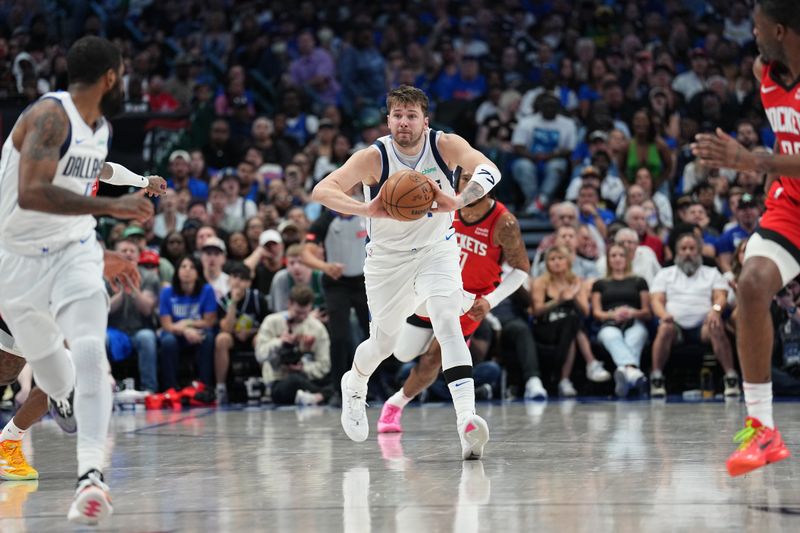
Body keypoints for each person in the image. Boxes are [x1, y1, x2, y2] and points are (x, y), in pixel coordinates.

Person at [0, 35, 156, 524]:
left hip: (74, 250)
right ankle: (59, 396)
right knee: (36, 371)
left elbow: (96, 168)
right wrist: (114, 205)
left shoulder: (100, 126)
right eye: (124, 73)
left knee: (89, 346)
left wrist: (134, 186)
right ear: (112, 76)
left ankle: (91, 475)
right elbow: (31, 193)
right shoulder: (50, 116)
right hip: (18, 263)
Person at [311, 85, 501, 460]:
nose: (404, 122)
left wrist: (459, 200)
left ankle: (467, 422)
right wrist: (368, 210)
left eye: (411, 115)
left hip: (437, 251)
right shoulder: (374, 157)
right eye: (397, 115)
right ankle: (356, 382)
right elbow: (322, 190)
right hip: (387, 261)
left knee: (447, 320)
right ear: (388, 120)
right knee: (384, 345)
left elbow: (489, 169)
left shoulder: (444, 145)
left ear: (424, 121)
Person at [691, 0, 799, 477]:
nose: (752, 35)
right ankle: (762, 427)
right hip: (790, 206)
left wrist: (751, 160)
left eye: (757, 28)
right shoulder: (765, 72)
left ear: (780, 29)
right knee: (752, 285)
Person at [377, 168, 539, 433]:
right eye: (466, 179)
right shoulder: (442, 206)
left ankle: (396, 405)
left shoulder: (504, 222)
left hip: (467, 303)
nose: (472, 186)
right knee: (404, 353)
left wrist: (491, 301)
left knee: (433, 359)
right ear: (457, 180)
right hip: (432, 288)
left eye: (478, 182)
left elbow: (521, 268)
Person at [648, 233, 740, 398]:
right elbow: (656, 301)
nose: (688, 252)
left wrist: (715, 310)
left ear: (699, 251)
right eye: (684, 249)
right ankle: (656, 377)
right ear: (677, 252)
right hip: (675, 325)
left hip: (704, 325)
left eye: (692, 248)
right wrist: (663, 315)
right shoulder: (665, 274)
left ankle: (730, 376)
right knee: (664, 328)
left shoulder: (711, 273)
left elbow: (721, 297)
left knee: (716, 325)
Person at [591, 243, 651, 397]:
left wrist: (632, 312)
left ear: (627, 258)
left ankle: (625, 373)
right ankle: (633, 373)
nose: (617, 259)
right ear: (608, 260)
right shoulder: (600, 284)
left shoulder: (639, 281)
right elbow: (596, 313)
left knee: (636, 336)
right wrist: (612, 315)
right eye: (613, 255)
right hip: (608, 323)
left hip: (634, 321)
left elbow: (647, 311)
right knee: (611, 336)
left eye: (621, 255)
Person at [254, 285, 331, 405]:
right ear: (289, 303)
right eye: (298, 312)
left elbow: (324, 365)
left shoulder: (317, 328)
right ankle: (323, 395)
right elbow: (260, 354)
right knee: (293, 381)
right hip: (280, 380)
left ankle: (316, 396)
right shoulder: (271, 322)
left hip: (309, 378)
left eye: (305, 313)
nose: (301, 317)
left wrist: (303, 368)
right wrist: (279, 342)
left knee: (340, 377)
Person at [214, 262, 270, 403]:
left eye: (242, 278)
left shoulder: (258, 298)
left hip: (252, 336)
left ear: (249, 283)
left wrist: (251, 332)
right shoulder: (223, 301)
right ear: (228, 280)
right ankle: (220, 387)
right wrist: (233, 303)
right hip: (233, 338)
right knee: (221, 339)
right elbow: (226, 328)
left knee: (261, 339)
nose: (238, 282)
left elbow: (268, 325)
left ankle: (269, 384)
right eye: (234, 277)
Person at [158, 256, 217, 390]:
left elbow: (209, 322)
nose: (187, 270)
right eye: (183, 267)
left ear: (198, 272)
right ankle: (170, 388)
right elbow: (166, 325)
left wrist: (187, 323)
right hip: (175, 333)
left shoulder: (207, 290)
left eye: (192, 267)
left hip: (197, 331)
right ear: (177, 271)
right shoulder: (167, 292)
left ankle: (205, 386)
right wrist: (185, 330)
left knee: (208, 337)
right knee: (168, 341)